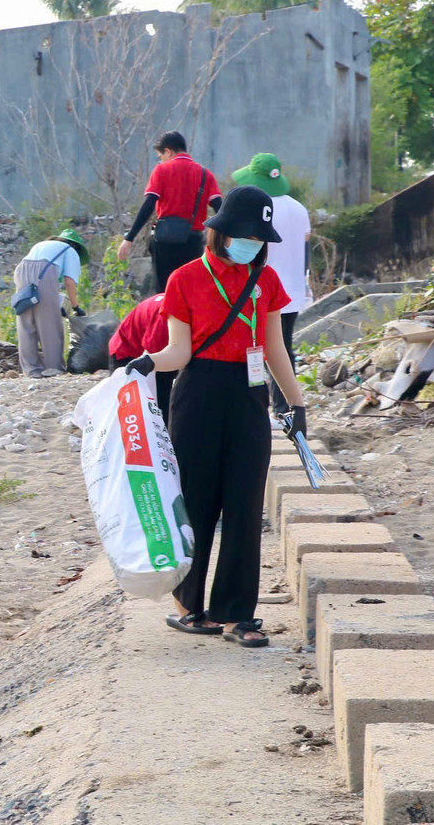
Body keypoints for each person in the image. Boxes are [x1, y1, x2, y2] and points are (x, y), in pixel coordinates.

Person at [124, 186, 306, 648]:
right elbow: (178, 351)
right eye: (244, 234)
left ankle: (237, 614)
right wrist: (148, 362)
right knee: (198, 502)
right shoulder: (185, 278)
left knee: (244, 505)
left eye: (259, 237)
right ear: (220, 232)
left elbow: (275, 349)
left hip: (248, 396)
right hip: (198, 392)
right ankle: (189, 607)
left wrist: (296, 403)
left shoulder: (265, 282)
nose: (251, 243)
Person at [234, 153, 311, 416]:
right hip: (293, 289)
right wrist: (302, 282)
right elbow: (306, 248)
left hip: (261, 288)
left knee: (256, 344)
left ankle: (263, 402)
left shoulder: (259, 210)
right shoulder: (299, 208)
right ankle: (283, 404)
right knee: (283, 345)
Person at [117, 131, 223, 293]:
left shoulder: (162, 171)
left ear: (168, 151)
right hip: (193, 242)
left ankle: (165, 319)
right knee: (191, 292)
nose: (161, 159)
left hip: (165, 241)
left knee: (165, 293)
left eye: (160, 155)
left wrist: (129, 237)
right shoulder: (204, 174)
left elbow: (149, 205)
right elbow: (219, 207)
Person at [13, 229, 87, 378]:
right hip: (44, 272)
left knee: (27, 322)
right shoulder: (71, 250)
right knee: (50, 324)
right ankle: (54, 368)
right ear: (77, 246)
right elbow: (69, 282)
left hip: (21, 271)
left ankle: (31, 370)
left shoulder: (44, 244)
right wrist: (75, 307)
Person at [108, 294, 173, 421]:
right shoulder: (166, 318)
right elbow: (153, 358)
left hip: (149, 347)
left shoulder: (181, 303)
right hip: (126, 351)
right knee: (129, 408)